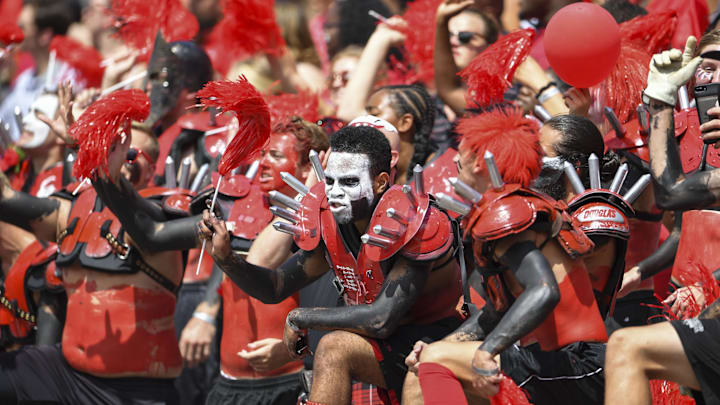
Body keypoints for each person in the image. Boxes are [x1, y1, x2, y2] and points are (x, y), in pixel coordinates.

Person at [198, 125, 464, 405]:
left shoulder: (417, 223)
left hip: (437, 344)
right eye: (330, 181)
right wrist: (227, 259)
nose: (335, 193)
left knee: (334, 347)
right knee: (334, 346)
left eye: (349, 182)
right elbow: (275, 287)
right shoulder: (329, 219)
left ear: (381, 182)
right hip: (383, 346)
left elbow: (381, 318)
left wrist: (301, 317)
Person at [0, 91, 193, 404]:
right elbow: (5, 200)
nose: (120, 156)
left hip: (135, 391)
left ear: (152, 168)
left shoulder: (163, 212)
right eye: (112, 147)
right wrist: (89, 152)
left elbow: (144, 228)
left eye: (130, 154)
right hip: (65, 374)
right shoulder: (73, 210)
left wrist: (99, 164)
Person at [406, 108, 608, 405]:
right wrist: (445, 345)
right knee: (432, 358)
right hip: (555, 361)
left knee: (435, 362)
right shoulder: (511, 205)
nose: (453, 162)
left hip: (572, 362)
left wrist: (486, 351)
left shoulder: (505, 212)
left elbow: (544, 290)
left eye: (460, 155)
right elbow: (498, 311)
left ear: (478, 163)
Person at [604, 35, 720, 405]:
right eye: (706, 67)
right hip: (682, 299)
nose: (711, 79)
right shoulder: (689, 137)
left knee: (628, 349)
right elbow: (678, 215)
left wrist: (710, 288)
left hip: (709, 297)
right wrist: (639, 273)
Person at [204, 117, 330, 405]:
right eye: (262, 154)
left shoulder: (322, 222)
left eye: (275, 155)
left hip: (288, 382)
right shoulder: (237, 206)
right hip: (228, 385)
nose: (262, 163)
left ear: (309, 167)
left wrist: (293, 348)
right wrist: (204, 312)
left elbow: (260, 261)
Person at [0, 0, 74, 140]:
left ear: (44, 35)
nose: (15, 32)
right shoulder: (24, 79)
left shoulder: (67, 78)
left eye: (22, 27)